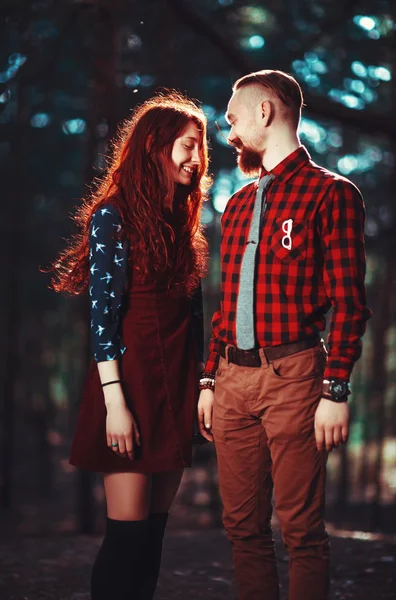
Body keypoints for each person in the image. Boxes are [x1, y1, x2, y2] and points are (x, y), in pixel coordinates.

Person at [198, 70, 372, 600]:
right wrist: (208, 379)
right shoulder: (238, 204)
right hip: (231, 381)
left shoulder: (333, 194)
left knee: (300, 531)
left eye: (232, 120)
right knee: (242, 530)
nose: (227, 132)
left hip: (295, 377)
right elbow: (226, 304)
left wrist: (335, 389)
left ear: (265, 112)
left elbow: (349, 303)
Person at [51, 91, 210, 600]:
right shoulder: (112, 216)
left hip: (175, 386)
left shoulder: (182, 224)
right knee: (125, 537)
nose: (197, 158)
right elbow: (103, 317)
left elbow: (196, 317)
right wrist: (115, 405)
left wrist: (204, 385)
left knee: (153, 539)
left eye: (201, 148)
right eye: (187, 146)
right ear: (155, 147)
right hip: (127, 387)